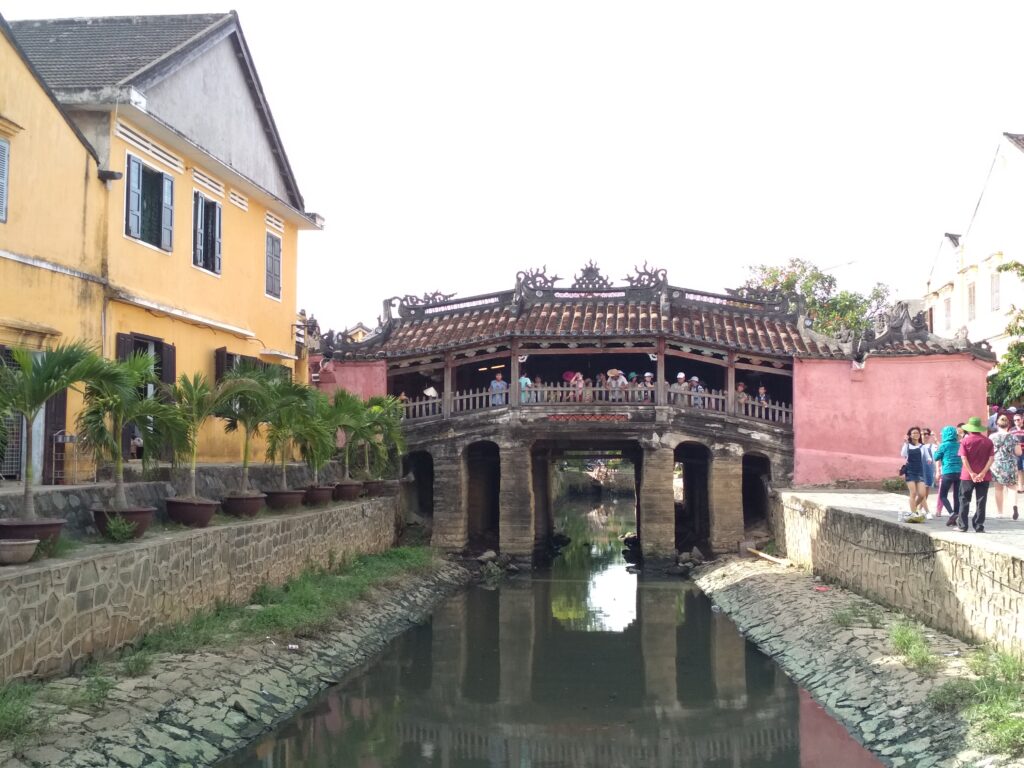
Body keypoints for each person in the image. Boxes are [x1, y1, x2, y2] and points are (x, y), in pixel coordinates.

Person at [958, 416, 994, 533]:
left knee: (964, 499)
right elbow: (991, 459)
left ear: (969, 428)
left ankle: (963, 525)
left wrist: (972, 473)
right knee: (981, 500)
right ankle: (979, 525)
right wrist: (982, 473)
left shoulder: (965, 441)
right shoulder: (988, 441)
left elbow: (964, 458)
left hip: (967, 476)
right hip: (984, 476)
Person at [989, 414, 1021, 519]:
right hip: (1010, 464)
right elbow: (1019, 452)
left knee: (998, 489)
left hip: (997, 465)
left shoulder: (992, 437)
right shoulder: (1013, 436)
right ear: (1008, 425)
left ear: (997, 425)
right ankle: (1014, 507)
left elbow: (989, 452)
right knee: (1012, 488)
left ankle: (1000, 512)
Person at [932, 425, 962, 526]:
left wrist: (937, 450)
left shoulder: (943, 445)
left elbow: (936, 457)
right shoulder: (959, 445)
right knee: (956, 496)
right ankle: (956, 516)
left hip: (948, 472)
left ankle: (952, 513)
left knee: (943, 495)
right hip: (959, 473)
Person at [900, 426, 929, 523]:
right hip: (910, 471)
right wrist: (905, 443)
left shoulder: (922, 446)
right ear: (910, 435)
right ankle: (913, 513)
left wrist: (929, 460)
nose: (916, 434)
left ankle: (914, 508)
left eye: (917, 433)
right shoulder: (907, 445)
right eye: (913, 433)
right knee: (913, 493)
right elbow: (903, 454)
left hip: (919, 471)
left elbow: (928, 457)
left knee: (922, 494)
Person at [1011, 412, 1024, 498]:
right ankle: (1020, 487)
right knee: (1019, 470)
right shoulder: (1011, 430)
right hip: (1017, 453)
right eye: (1015, 420)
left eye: (1018, 419)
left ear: (1022, 420)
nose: (1016, 421)